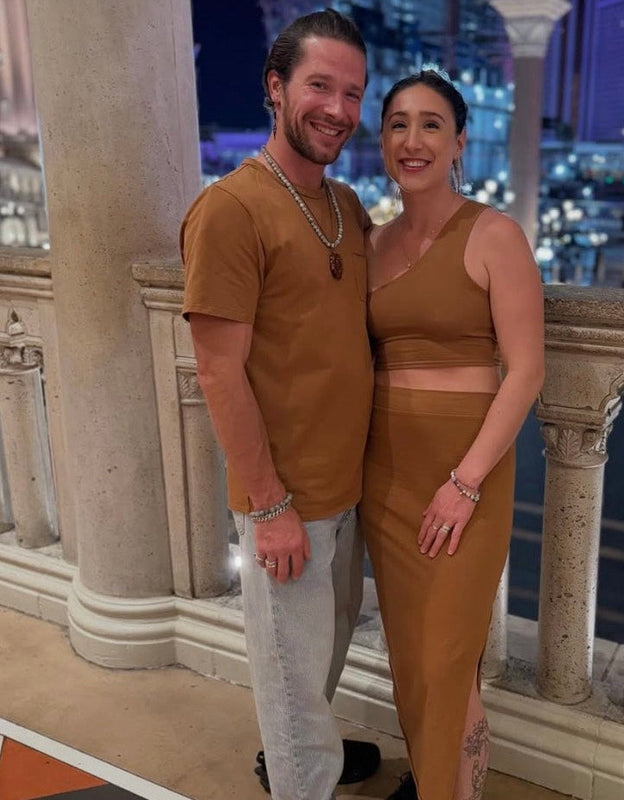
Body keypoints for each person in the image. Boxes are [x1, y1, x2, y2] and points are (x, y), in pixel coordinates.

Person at [180, 9, 380, 800]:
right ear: (276, 87)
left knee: (315, 665)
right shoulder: (229, 210)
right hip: (287, 498)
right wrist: (268, 508)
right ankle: (303, 780)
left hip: (346, 487)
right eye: (319, 85)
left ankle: (303, 758)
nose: (337, 108)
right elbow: (220, 372)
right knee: (292, 679)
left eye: (353, 92)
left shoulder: (348, 206)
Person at [359, 70, 545, 800]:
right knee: (415, 659)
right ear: (382, 141)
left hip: (464, 476)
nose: (413, 140)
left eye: (431, 124)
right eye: (398, 124)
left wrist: (465, 483)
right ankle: (443, 786)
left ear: (460, 140)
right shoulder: (372, 244)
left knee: (444, 656)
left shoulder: (495, 235)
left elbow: (525, 372)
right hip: (387, 474)